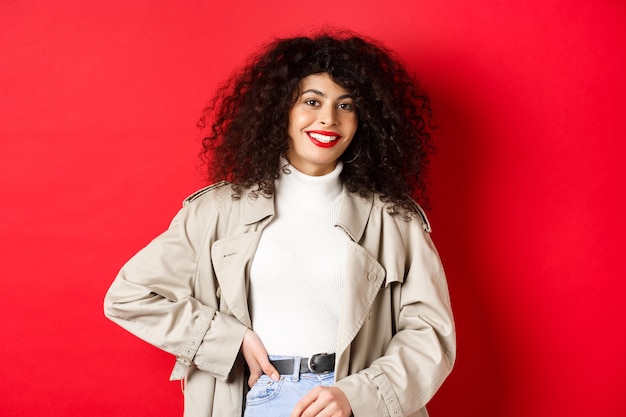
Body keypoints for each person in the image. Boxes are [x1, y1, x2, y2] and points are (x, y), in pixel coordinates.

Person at [104, 32, 455, 417]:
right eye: (311, 101)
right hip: (256, 397)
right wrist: (228, 339)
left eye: (346, 105)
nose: (328, 119)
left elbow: (431, 336)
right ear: (280, 110)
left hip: (351, 403)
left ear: (363, 121)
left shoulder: (394, 219)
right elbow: (129, 296)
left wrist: (358, 395)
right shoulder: (218, 211)